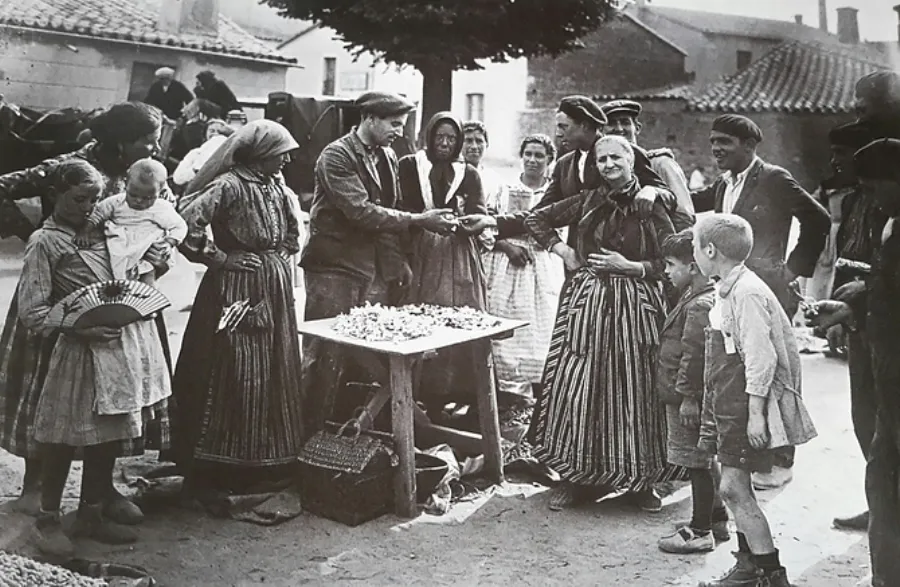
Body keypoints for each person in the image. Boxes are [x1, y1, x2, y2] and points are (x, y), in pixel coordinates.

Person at [0, 101, 171, 515]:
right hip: (59, 292)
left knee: (112, 394)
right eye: (147, 140)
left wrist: (157, 253)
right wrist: (34, 235)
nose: (155, 148)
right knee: (48, 390)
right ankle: (37, 489)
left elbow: (161, 220)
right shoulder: (67, 167)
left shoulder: (146, 174)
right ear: (119, 140)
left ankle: (101, 489)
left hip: (120, 296)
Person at [20, 159, 172, 556]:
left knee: (108, 435)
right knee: (63, 440)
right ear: (56, 194)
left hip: (118, 348)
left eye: (93, 199)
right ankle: (47, 518)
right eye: (77, 199)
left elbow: (132, 269)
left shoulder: (105, 230)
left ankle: (92, 512)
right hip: (78, 352)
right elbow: (32, 311)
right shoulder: (45, 242)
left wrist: (154, 258)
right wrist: (77, 327)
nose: (86, 208)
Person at [522, 135, 678, 512]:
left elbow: (675, 256)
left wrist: (634, 267)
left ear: (631, 159)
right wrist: (564, 250)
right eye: (602, 159)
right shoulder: (589, 199)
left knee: (637, 389)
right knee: (580, 386)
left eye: (616, 158)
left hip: (638, 306)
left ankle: (641, 483)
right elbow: (536, 218)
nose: (608, 165)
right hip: (588, 304)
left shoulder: (650, 201)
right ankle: (577, 479)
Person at [300, 92, 457, 432]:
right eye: (394, 124)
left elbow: (390, 209)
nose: (399, 132)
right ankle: (307, 437)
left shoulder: (386, 156)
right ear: (370, 118)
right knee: (324, 356)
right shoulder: (336, 156)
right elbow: (361, 212)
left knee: (365, 360)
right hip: (333, 269)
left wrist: (396, 264)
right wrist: (420, 220)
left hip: (370, 271)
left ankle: (350, 435)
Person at [692, 114, 829, 490]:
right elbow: (690, 202)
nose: (716, 148)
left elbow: (818, 220)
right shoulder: (724, 184)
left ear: (750, 146)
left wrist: (792, 271)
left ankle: (782, 460)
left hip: (767, 291)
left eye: (726, 142)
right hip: (733, 290)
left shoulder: (774, 179)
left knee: (775, 372)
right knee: (744, 372)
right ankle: (754, 457)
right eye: (713, 141)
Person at [171, 120, 304, 495]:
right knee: (237, 367)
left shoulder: (275, 184)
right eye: (281, 153)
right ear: (261, 154)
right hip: (236, 288)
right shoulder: (229, 184)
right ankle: (222, 464)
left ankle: (268, 458)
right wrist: (220, 259)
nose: (287, 159)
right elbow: (184, 225)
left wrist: (280, 253)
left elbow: (291, 232)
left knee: (273, 367)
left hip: (272, 286)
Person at [693, 214, 816, 587]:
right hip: (727, 398)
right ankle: (749, 567)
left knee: (733, 488)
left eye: (695, 247)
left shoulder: (747, 293)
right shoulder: (728, 287)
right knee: (736, 487)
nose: (694, 254)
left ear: (710, 251)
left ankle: (771, 575)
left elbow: (762, 358)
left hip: (744, 402)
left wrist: (757, 415)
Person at [812, 138, 900, 587]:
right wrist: (857, 305)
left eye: (874, 185)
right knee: (882, 476)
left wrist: (868, 295)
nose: (871, 195)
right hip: (889, 376)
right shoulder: (891, 224)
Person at [477, 96, 670, 246]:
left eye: (564, 127)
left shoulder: (623, 153)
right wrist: (491, 221)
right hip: (578, 260)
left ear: (584, 126)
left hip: (624, 257)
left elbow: (667, 195)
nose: (558, 133)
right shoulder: (564, 165)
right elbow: (541, 212)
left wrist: (651, 190)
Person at [397, 112, 490, 415]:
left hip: (457, 255)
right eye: (440, 138)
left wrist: (461, 223)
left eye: (452, 139)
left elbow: (478, 210)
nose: (445, 144)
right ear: (429, 137)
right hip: (420, 250)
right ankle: (417, 394)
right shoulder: (411, 166)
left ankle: (456, 395)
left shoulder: (468, 173)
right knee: (420, 315)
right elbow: (401, 208)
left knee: (459, 315)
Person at [656, 229, 728, 554]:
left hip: (689, 399)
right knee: (704, 459)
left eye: (671, 265)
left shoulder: (700, 305)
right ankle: (716, 518)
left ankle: (700, 532)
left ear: (694, 266)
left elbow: (695, 356)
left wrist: (687, 397)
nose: (667, 271)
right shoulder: (693, 296)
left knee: (696, 463)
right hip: (687, 396)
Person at [481, 134, 563, 409]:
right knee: (506, 325)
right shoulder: (504, 189)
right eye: (528, 154)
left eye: (539, 155)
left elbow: (560, 229)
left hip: (542, 265)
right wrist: (506, 246)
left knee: (541, 326)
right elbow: (488, 228)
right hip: (508, 264)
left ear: (549, 160)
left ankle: (538, 394)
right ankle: (506, 394)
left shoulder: (554, 192)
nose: (532, 160)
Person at [75, 158, 187, 285]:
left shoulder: (162, 208)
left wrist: (169, 242)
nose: (139, 201)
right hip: (120, 244)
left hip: (146, 247)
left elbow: (179, 226)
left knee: (147, 278)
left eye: (147, 198)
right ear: (125, 184)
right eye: (133, 195)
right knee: (114, 277)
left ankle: (146, 301)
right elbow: (98, 213)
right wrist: (85, 231)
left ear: (160, 192)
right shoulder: (117, 202)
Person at [601, 99, 695, 230]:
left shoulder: (660, 164)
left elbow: (684, 216)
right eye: (611, 123)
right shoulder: (605, 169)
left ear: (637, 128)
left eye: (625, 122)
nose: (619, 129)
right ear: (602, 131)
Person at [172, 119, 235, 188]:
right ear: (205, 133)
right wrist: (195, 171)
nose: (215, 134)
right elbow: (177, 178)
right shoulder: (195, 153)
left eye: (220, 132)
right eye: (212, 130)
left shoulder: (229, 156)